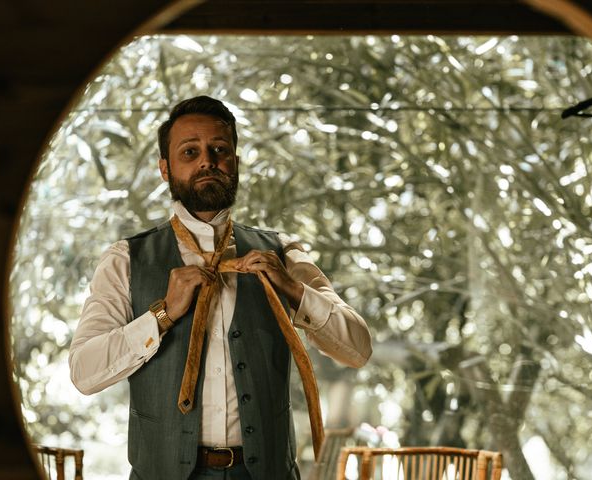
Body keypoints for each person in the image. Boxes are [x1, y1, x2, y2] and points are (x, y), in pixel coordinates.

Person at [69, 95, 372, 480]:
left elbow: (359, 349)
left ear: (236, 164)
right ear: (165, 169)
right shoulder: (125, 259)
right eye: (190, 152)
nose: (206, 161)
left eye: (219, 150)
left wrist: (293, 289)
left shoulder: (283, 253)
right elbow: (83, 372)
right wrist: (161, 315)